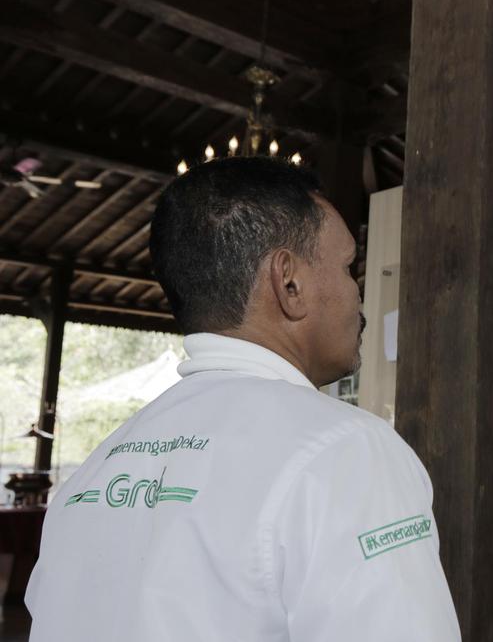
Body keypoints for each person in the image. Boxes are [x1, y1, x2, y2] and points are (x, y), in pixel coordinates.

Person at [26, 157, 460, 641]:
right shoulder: (347, 452)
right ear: (289, 283)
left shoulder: (96, 468)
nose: (356, 292)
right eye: (346, 266)